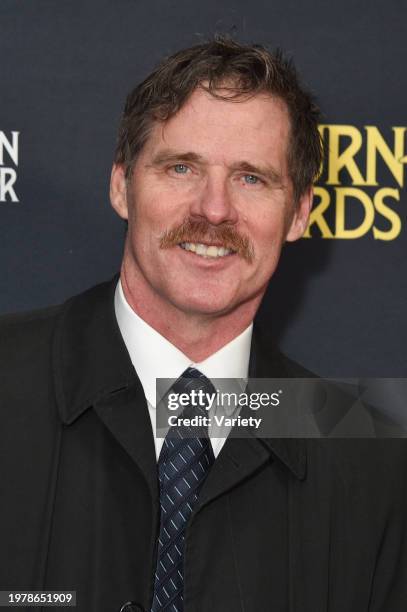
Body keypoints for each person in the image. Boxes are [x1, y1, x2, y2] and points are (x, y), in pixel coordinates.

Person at [1, 36, 406, 612]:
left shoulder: (370, 464)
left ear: (300, 213)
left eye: (251, 178)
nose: (214, 210)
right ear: (121, 185)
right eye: (182, 167)